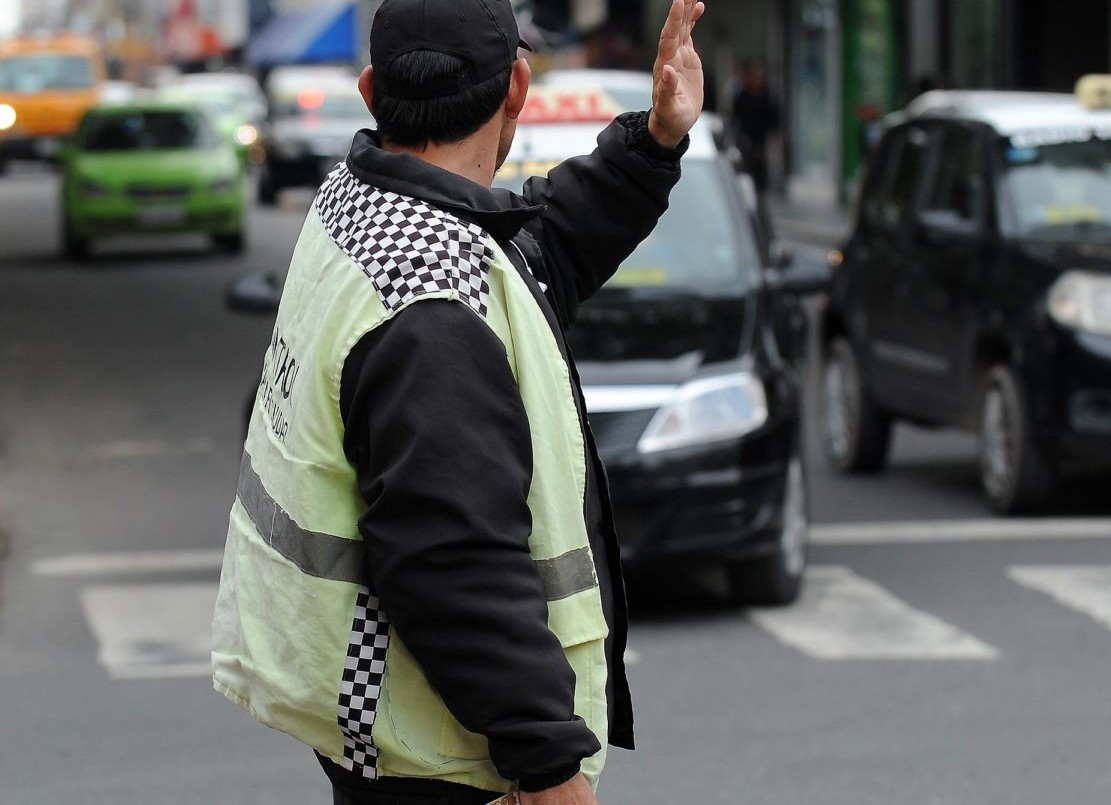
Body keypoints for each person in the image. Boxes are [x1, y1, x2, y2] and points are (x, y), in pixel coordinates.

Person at [210, 1, 706, 804]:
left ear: (371, 91)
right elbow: (453, 562)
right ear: (518, 86)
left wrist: (653, 141)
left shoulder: (357, 207)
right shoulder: (430, 309)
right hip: (445, 769)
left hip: (382, 741)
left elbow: (535, 254)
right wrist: (549, 770)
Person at [730, 60, 780, 194]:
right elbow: (736, 117)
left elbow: (773, 118)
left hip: (761, 139)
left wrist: (773, 135)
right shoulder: (743, 95)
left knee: (760, 167)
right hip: (745, 137)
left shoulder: (767, 96)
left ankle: (761, 190)